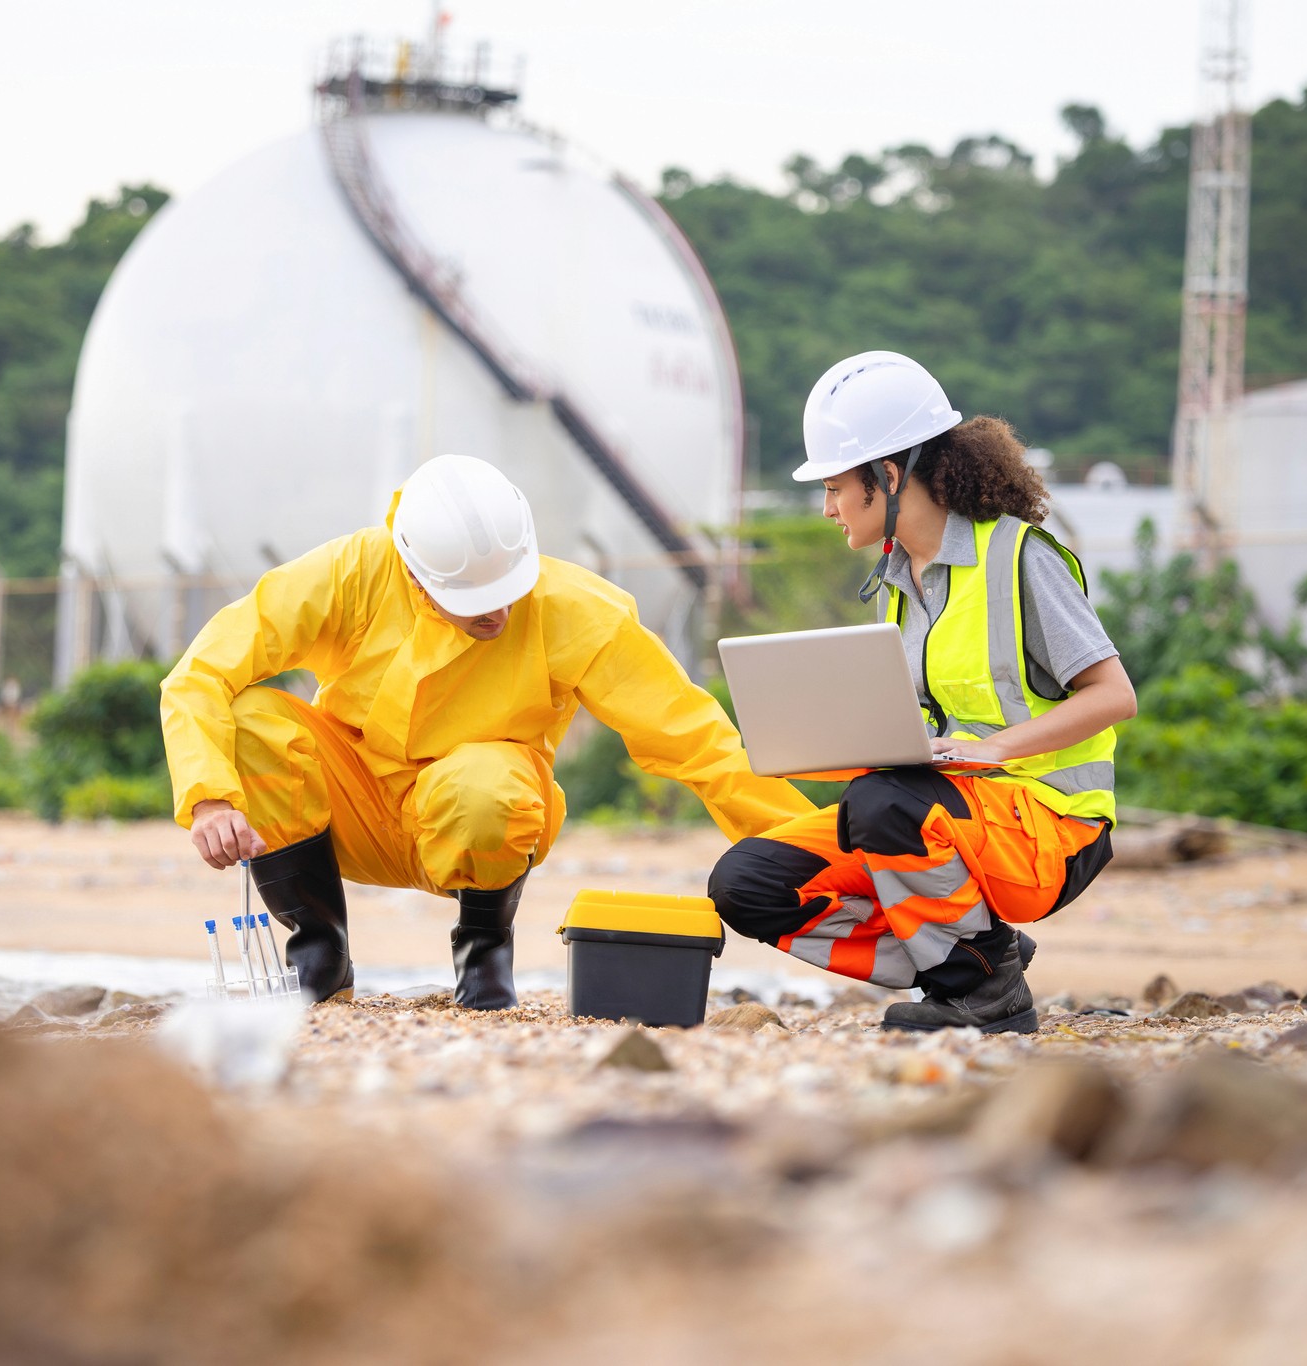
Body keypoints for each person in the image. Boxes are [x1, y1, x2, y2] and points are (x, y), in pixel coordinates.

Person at [161, 453, 813, 1011]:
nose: (497, 611)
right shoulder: (350, 573)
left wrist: (810, 860)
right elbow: (199, 674)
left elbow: (696, 739)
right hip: (343, 813)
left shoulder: (574, 611)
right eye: (472, 599)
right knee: (250, 719)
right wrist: (208, 797)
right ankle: (318, 953)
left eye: (508, 589)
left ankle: (483, 954)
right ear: (413, 571)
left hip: (480, 826)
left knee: (486, 780)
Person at [707, 351, 1136, 1035]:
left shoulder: (1019, 557)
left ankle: (983, 990)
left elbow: (1113, 696)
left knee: (882, 803)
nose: (826, 508)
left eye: (834, 486)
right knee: (747, 882)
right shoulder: (897, 585)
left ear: (884, 475)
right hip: (946, 815)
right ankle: (973, 954)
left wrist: (991, 750)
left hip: (1050, 828)